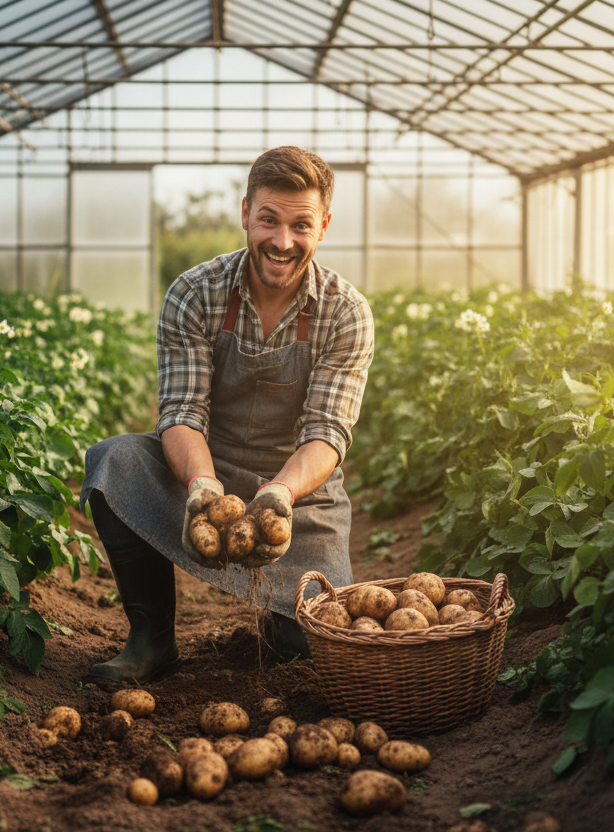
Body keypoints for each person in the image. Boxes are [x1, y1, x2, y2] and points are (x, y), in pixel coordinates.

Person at [79, 146, 375, 683]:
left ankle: (280, 620)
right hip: (203, 468)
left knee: (308, 646)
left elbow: (327, 433)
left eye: (300, 225)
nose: (282, 242)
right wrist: (201, 486)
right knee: (114, 461)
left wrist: (279, 495)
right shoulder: (195, 293)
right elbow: (183, 412)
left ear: (324, 227)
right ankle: (152, 640)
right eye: (268, 220)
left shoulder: (345, 311)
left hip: (298, 495)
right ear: (246, 214)